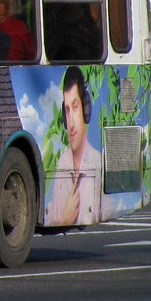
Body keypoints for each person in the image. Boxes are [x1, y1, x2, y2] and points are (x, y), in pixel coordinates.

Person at [46, 66, 101, 226]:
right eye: (67, 110)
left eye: (75, 107)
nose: (70, 124)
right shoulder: (62, 163)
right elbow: (54, 218)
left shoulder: (97, 162)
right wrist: (64, 219)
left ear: (86, 108)